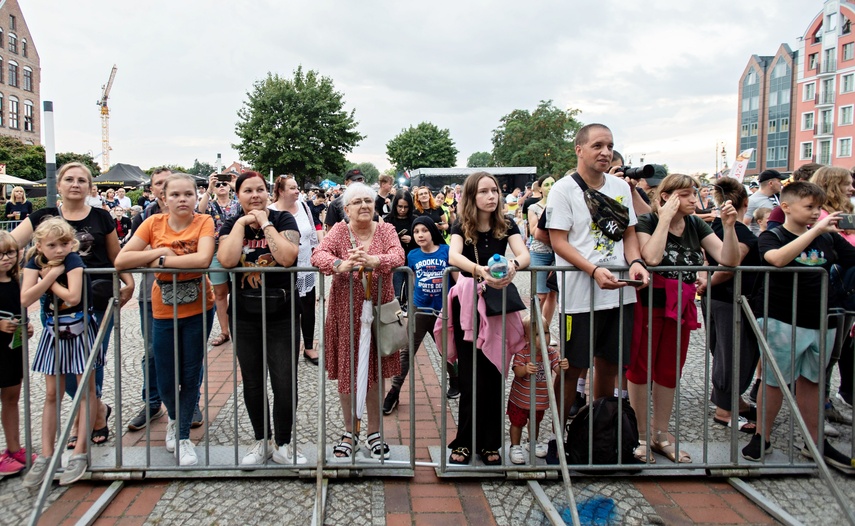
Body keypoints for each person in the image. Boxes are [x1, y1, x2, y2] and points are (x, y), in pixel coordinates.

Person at [12, 162, 133, 449]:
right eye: (69, 179)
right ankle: (97, 410)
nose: (75, 184)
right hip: (55, 304)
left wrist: (128, 281)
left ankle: (86, 421)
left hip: (98, 299)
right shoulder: (44, 216)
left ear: (90, 186)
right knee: (64, 370)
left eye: (81, 179)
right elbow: (10, 241)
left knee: (92, 364)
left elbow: (116, 255)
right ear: (59, 184)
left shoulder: (102, 217)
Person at [741, 181, 855, 474]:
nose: (816, 213)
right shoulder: (773, 235)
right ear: (787, 207)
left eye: (818, 207)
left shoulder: (829, 239)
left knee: (814, 383)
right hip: (782, 319)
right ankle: (761, 436)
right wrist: (816, 231)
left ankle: (815, 443)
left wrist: (840, 232)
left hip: (821, 320)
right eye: (809, 207)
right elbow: (776, 259)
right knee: (774, 380)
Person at [545, 123, 649, 426]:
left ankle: (597, 434)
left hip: (620, 292)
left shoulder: (620, 188)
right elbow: (558, 241)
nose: (606, 152)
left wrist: (636, 262)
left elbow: (630, 233)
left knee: (610, 365)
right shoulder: (563, 189)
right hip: (580, 294)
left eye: (610, 146)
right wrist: (593, 270)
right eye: (598, 145)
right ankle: (557, 437)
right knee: (572, 367)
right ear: (579, 149)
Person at [630, 173, 739, 463]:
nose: (695, 199)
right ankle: (640, 435)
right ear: (666, 196)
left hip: (681, 304)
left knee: (669, 370)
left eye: (695, 193)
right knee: (641, 368)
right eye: (688, 194)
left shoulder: (696, 223)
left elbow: (729, 259)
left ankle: (661, 434)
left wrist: (729, 228)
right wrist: (664, 219)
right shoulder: (648, 221)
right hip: (650, 303)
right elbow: (651, 258)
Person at [115, 173, 216, 466]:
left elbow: (202, 260)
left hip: (198, 308)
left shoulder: (203, 222)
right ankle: (173, 418)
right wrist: (160, 249)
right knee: (165, 376)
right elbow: (121, 260)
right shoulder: (152, 224)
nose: (182, 199)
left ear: (196, 197)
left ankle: (183, 436)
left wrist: (156, 261)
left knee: (190, 372)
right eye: (175, 195)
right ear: (164, 198)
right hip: (162, 310)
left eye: (188, 194)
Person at [311, 182, 404, 460]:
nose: (364, 205)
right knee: (348, 374)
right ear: (346, 208)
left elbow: (398, 255)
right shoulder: (340, 230)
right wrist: (340, 264)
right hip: (345, 313)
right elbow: (319, 255)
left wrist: (375, 260)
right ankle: (350, 432)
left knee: (375, 373)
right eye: (357, 202)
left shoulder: (386, 229)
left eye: (368, 200)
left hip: (379, 312)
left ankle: (374, 432)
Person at [218, 172, 305, 465]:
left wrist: (265, 223)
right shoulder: (230, 224)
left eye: (259, 190)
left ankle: (283, 442)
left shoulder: (283, 221)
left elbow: (286, 257)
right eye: (247, 191)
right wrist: (243, 223)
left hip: (282, 313)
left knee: (284, 381)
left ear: (268, 193)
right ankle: (261, 440)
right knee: (253, 382)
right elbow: (228, 260)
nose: (255, 195)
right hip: (244, 315)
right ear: (238, 195)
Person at [444, 171, 530, 465]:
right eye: (484, 191)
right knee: (469, 376)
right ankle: (465, 441)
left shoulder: (507, 224)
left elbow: (524, 254)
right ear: (471, 196)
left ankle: (492, 442)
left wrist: (512, 265)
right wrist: (480, 271)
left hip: (497, 304)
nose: (491, 196)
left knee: (494, 372)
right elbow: (454, 257)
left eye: (494, 190)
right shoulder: (460, 224)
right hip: (468, 303)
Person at [21, 218, 100, 487]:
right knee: (52, 393)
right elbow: (25, 297)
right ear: (40, 245)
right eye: (52, 245)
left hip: (79, 327)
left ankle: (80, 451)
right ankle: (46, 454)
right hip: (53, 330)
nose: (59, 250)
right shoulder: (35, 261)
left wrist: (51, 279)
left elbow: (74, 297)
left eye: (64, 244)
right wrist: (52, 278)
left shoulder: (74, 260)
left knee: (85, 389)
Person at [382, 216, 458, 414]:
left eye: (424, 230)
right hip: (420, 308)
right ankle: (394, 391)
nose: (420, 234)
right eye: (416, 231)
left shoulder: (447, 251)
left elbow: (457, 279)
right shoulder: (413, 255)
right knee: (407, 351)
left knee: (447, 349)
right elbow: (413, 278)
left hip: (443, 309)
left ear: (433, 231)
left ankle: (456, 380)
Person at [704, 178, 762, 435]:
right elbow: (729, 265)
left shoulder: (712, 225)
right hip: (730, 300)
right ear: (746, 203)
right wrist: (708, 284)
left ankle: (732, 401)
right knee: (735, 355)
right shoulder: (740, 231)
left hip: (719, 298)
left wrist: (706, 284)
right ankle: (725, 410)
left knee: (725, 353)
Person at [807, 166, 855, 434]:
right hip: (830, 291)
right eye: (847, 183)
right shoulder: (822, 216)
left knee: (834, 353)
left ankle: (824, 404)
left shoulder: (844, 214)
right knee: (823, 355)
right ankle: (815, 412)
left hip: (845, 293)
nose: (852, 187)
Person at [270, 175, 321, 366]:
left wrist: (317, 253)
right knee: (285, 309)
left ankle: (308, 346)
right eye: (292, 188)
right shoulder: (271, 211)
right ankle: (285, 348)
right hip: (283, 269)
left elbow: (312, 234)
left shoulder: (305, 206)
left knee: (308, 307)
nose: (297, 191)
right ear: (281, 191)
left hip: (305, 266)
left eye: (297, 187)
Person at [508, 315, 568, 464]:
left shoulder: (551, 353)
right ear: (526, 337)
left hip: (539, 398)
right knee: (517, 423)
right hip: (520, 398)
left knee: (535, 422)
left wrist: (563, 367)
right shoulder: (523, 352)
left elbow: (558, 369)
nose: (543, 337)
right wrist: (525, 369)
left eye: (546, 333)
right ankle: (515, 446)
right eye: (536, 334)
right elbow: (516, 371)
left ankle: (532, 442)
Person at [0, 231, 34, 476]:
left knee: (11, 398)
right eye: (0, 254)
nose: (6, 258)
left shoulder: (17, 282)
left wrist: (27, 326)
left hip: (13, 347)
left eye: (10, 253)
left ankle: (13, 448)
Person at [197, 174, 241, 348]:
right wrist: (209, 188)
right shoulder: (210, 205)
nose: (222, 186)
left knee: (238, 290)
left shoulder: (237, 204)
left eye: (225, 184)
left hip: (236, 248)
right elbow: (199, 211)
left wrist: (234, 184)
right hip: (216, 250)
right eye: (219, 184)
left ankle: (239, 328)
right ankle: (224, 331)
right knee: (220, 293)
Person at [527, 174, 558, 337]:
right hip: (540, 252)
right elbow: (534, 232)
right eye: (547, 184)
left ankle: (544, 331)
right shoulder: (533, 207)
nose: (551, 187)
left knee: (553, 294)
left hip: (557, 254)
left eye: (553, 183)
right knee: (540, 295)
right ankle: (533, 330)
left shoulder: (561, 204)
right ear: (540, 188)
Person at [383, 190, 416, 304]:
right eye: (400, 206)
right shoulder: (387, 220)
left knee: (411, 293)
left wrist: (412, 239)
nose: (402, 210)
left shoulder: (415, 219)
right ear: (395, 205)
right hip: (394, 262)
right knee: (394, 294)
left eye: (406, 207)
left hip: (411, 261)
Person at [744, 169, 786, 235]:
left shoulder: (778, 197)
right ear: (771, 183)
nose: (781, 184)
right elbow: (745, 223)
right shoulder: (752, 200)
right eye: (779, 181)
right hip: (763, 240)